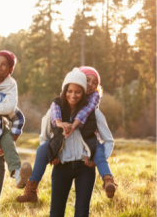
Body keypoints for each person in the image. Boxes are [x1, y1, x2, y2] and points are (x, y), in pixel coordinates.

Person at [17, 69, 114, 217]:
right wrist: (53, 155)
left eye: (77, 91)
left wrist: (94, 159)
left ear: (84, 90)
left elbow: (108, 140)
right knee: (56, 214)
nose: (73, 95)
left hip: (84, 168)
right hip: (61, 167)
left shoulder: (93, 112)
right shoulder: (55, 111)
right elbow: (44, 138)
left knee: (81, 215)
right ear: (64, 90)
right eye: (70, 91)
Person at [16, 67, 116, 203]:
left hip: (88, 143)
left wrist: (73, 126)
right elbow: (46, 130)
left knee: (98, 151)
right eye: (88, 81)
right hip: (62, 147)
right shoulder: (59, 103)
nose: (91, 85)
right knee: (42, 149)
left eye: (95, 82)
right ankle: (31, 187)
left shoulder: (92, 102)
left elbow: (87, 115)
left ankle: (108, 180)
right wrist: (52, 154)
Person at [0, 50, 32, 188]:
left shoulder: (8, 89)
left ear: (10, 70)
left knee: (7, 137)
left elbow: (11, 109)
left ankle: (17, 173)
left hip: (0, 129)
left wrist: (6, 146)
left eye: (4, 64)